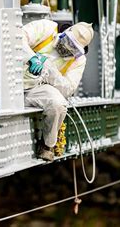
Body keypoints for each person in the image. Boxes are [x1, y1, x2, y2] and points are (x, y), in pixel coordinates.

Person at [22, 19, 94, 161]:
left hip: (36, 88)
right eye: (68, 41)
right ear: (65, 32)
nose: (67, 48)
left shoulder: (78, 61)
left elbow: (69, 88)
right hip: (13, 76)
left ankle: (47, 146)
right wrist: (32, 57)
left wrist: (51, 72)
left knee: (59, 104)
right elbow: (18, 36)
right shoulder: (47, 27)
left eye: (73, 47)